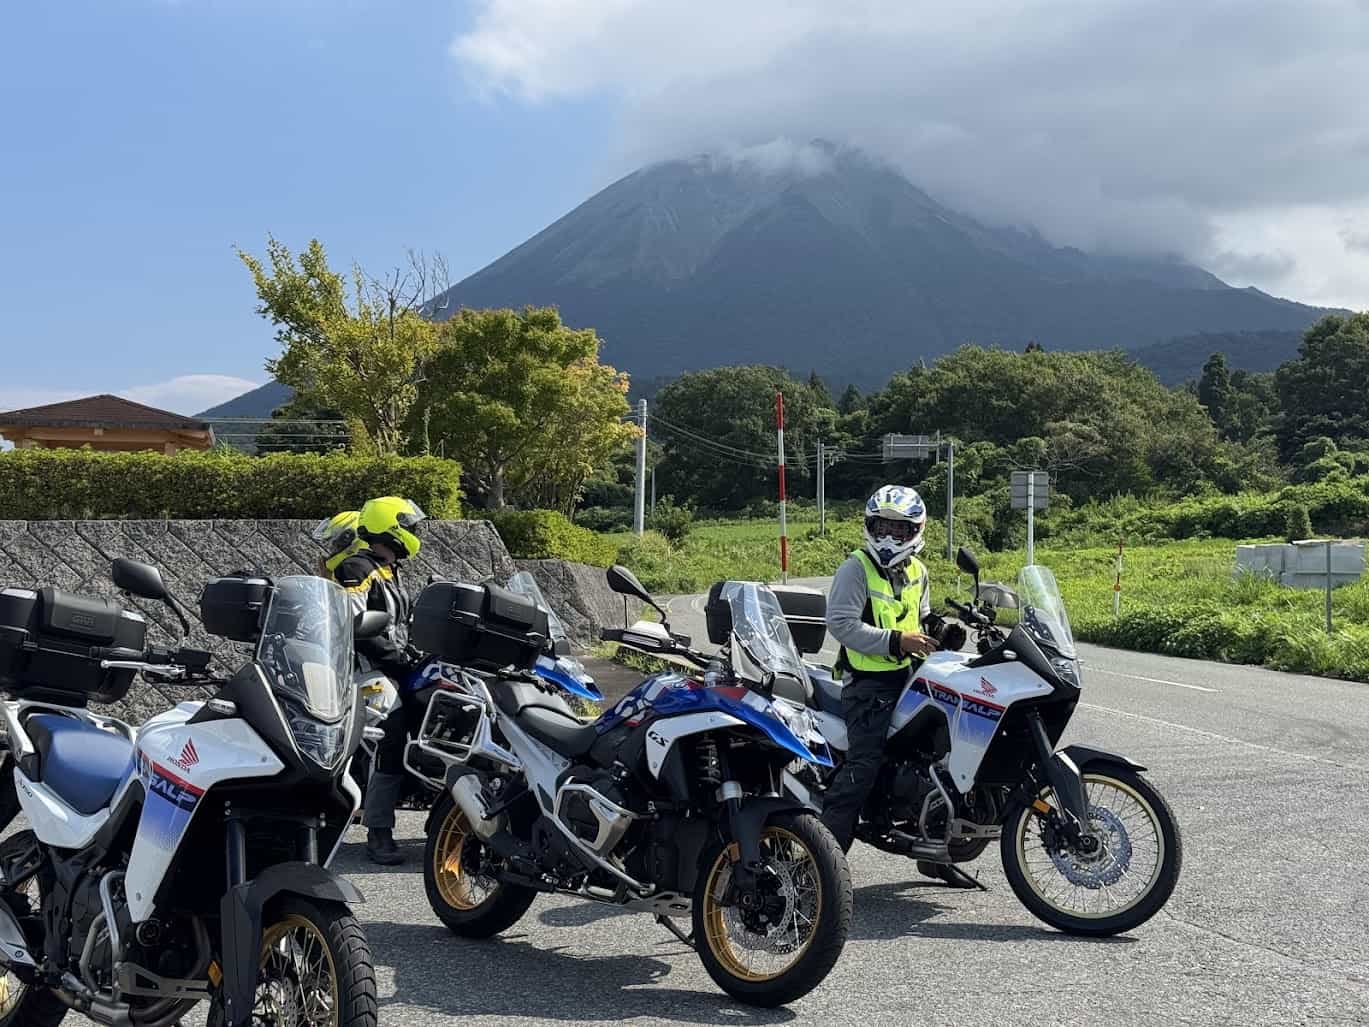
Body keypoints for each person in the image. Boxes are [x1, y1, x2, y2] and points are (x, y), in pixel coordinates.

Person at [821, 485, 962, 852]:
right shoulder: (857, 567)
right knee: (863, 767)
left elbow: (923, 615)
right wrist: (896, 642)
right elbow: (841, 624)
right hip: (869, 686)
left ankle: (937, 848)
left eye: (899, 530)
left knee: (944, 752)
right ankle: (819, 866)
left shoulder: (918, 570)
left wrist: (943, 630)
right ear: (870, 525)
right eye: (882, 526)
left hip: (912, 678)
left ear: (915, 531)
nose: (889, 536)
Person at [330, 496, 427, 865]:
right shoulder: (357, 568)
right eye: (409, 525)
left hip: (394, 667)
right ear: (390, 526)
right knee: (394, 727)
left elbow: (401, 625)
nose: (415, 532)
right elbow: (356, 628)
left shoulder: (389, 570)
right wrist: (398, 658)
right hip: (364, 671)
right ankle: (379, 830)